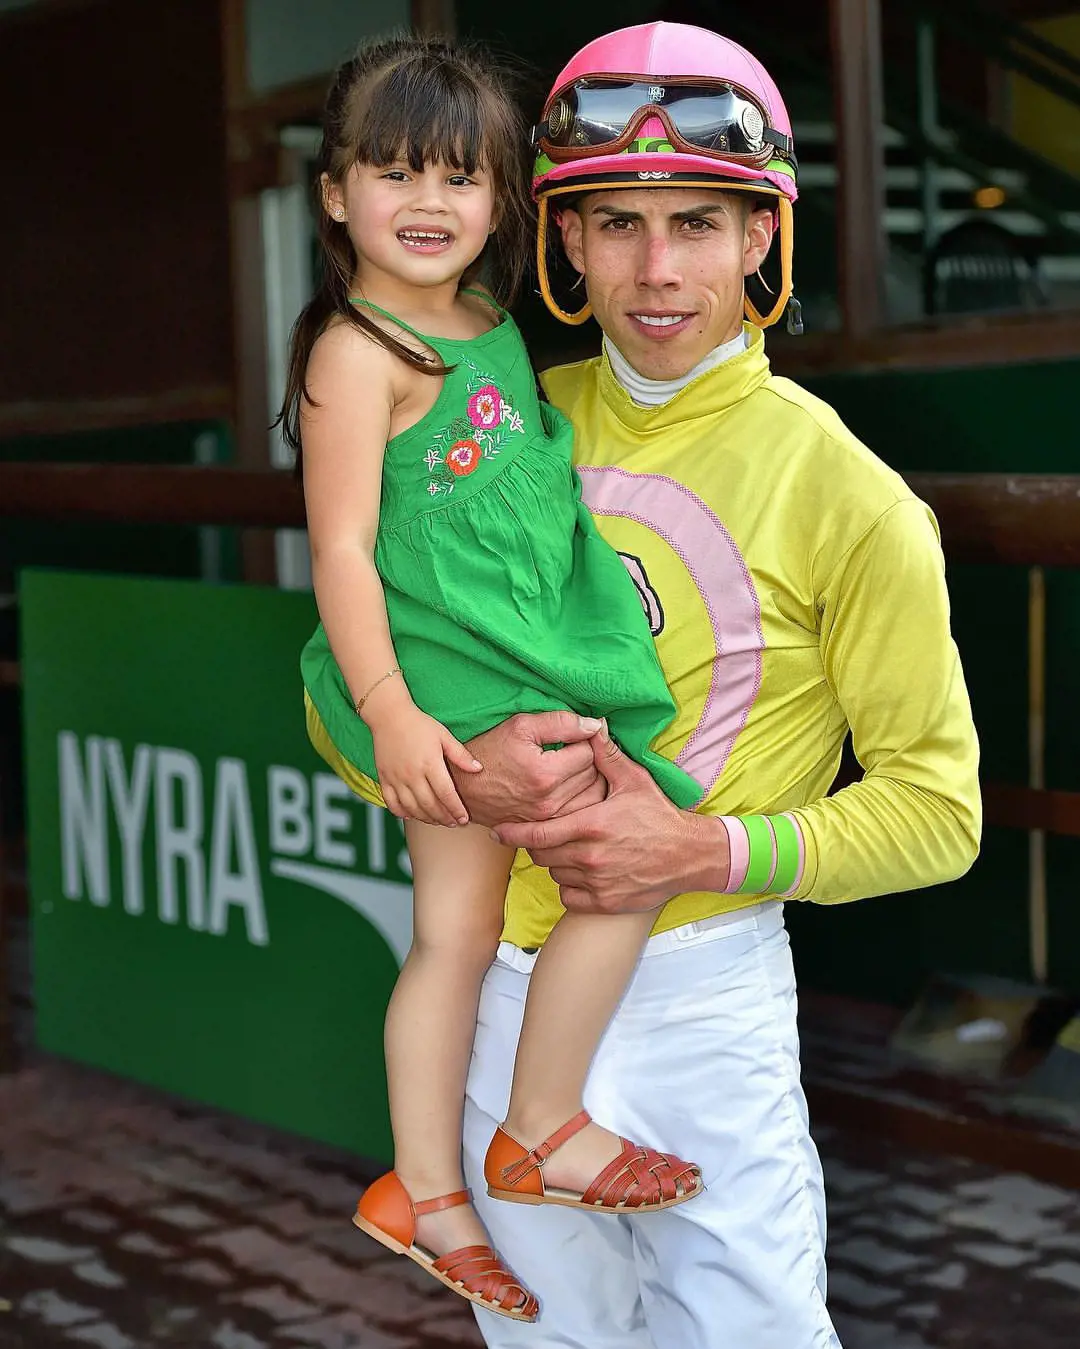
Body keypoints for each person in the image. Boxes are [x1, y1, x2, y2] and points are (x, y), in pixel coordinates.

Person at [382, 21, 975, 1348]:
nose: (658, 270)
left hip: (705, 996)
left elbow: (941, 814)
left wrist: (701, 847)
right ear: (566, 245)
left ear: (762, 238)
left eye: (699, 222)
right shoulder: (492, 428)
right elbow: (345, 680)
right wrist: (443, 765)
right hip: (498, 990)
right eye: (618, 223)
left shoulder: (851, 496)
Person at [279, 33, 709, 1326]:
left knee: (472, 930)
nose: (429, 203)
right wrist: (391, 712)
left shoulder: (484, 323)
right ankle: (533, 1129)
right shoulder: (357, 353)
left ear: (504, 199)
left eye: (461, 178)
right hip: (449, 688)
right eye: (396, 171)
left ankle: (432, 1187)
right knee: (614, 872)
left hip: (516, 658)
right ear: (334, 193)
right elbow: (343, 549)